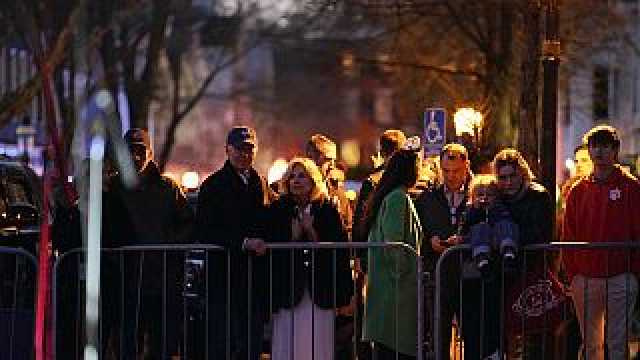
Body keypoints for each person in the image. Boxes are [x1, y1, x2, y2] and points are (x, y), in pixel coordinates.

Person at [105, 128, 194, 359]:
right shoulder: (112, 188)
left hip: (161, 279)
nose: (135, 156)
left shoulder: (168, 188)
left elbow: (188, 225)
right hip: (126, 279)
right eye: (130, 151)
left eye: (140, 150)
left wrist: (166, 247)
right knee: (127, 343)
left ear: (150, 153)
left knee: (161, 343)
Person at [194, 126, 275, 360]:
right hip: (224, 276)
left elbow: (269, 219)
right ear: (227, 150)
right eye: (239, 149)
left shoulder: (260, 183)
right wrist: (243, 242)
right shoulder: (213, 185)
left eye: (249, 149)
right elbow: (205, 229)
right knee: (224, 340)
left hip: (253, 277)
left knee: (251, 341)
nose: (244, 154)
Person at [562, 125, 640, 360]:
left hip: (621, 276)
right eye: (595, 146)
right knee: (590, 343)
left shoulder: (632, 188)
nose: (599, 152)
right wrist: (574, 274)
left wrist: (634, 273)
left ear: (615, 150)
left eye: (605, 146)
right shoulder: (577, 190)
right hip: (585, 278)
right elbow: (569, 234)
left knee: (617, 342)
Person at [267, 157, 352, 360]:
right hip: (288, 290)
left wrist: (311, 231)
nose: (296, 181)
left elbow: (338, 249)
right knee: (288, 342)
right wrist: (294, 237)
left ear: (313, 181)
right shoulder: (278, 210)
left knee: (318, 343)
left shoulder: (327, 210)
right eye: (292, 176)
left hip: (320, 290)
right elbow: (273, 246)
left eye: (302, 176)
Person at [361, 146, 423, 360]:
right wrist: (403, 274)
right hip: (396, 291)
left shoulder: (389, 196)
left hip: (388, 289)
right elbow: (394, 244)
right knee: (396, 351)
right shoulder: (397, 198)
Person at [492, 148, 555, 359]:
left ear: (522, 174)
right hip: (504, 274)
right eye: (503, 178)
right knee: (507, 333)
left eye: (512, 176)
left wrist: (510, 238)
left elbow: (541, 233)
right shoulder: (497, 198)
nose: (508, 182)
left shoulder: (538, 195)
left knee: (534, 335)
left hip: (532, 271)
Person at [415, 143, 472, 360]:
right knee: (439, 339)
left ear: (466, 167)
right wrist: (431, 241)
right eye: (446, 171)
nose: (451, 176)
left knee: (471, 336)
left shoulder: (478, 194)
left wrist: (464, 240)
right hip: (438, 277)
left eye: (456, 170)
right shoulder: (427, 199)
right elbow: (419, 233)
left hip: (470, 276)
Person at [464, 174, 519, 273]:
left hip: (498, 237)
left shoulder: (500, 208)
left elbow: (508, 219)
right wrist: (476, 211)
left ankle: (509, 253)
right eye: (480, 195)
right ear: (473, 197)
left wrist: (494, 211)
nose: (484, 198)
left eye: (489, 195)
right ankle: (482, 259)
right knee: (480, 227)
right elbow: (464, 227)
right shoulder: (470, 211)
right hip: (480, 241)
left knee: (505, 223)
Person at [306, 134, 353, 232]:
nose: (332, 165)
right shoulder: (297, 190)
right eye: (328, 159)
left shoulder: (337, 190)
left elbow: (348, 224)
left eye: (334, 160)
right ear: (310, 157)